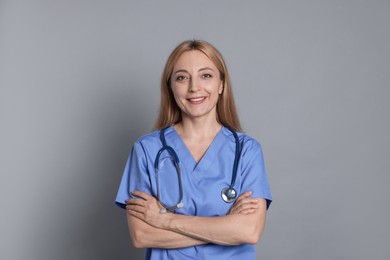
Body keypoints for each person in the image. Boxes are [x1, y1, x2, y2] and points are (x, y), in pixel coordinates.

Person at [115, 39, 272, 259]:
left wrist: (165, 220)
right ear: (170, 87)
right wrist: (224, 228)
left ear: (221, 85)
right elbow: (141, 235)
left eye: (205, 75)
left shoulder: (247, 151)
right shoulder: (146, 150)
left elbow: (250, 231)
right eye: (182, 77)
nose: (194, 87)